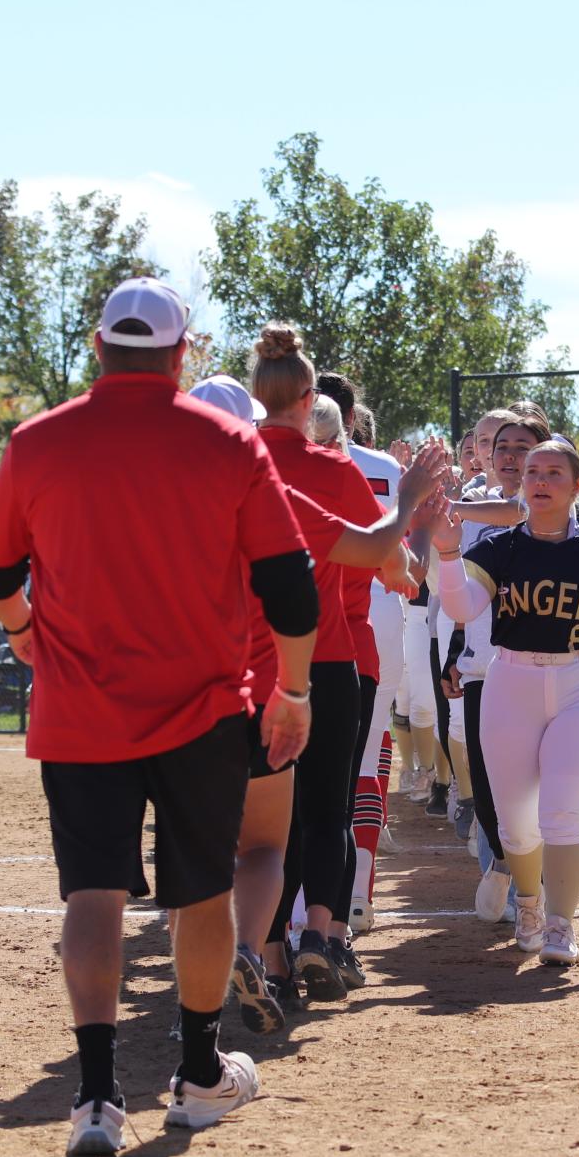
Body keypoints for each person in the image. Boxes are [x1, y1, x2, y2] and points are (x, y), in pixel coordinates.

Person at [0, 278, 318, 1157]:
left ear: (97, 347)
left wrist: (23, 634)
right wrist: (294, 691)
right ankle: (199, 1078)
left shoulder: (36, 442)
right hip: (201, 708)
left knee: (92, 893)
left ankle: (94, 1099)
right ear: (181, 352)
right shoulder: (229, 441)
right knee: (199, 891)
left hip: (80, 710)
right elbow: (289, 584)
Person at [432, 440, 579, 966]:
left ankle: (560, 925)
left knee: (562, 814)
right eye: (534, 471)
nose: (540, 480)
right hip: (511, 680)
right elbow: (462, 605)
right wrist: (446, 552)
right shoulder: (500, 546)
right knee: (515, 823)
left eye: (554, 472)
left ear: (576, 487)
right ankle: (527, 907)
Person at [249, 325, 385, 1005]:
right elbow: (384, 556)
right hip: (328, 657)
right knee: (327, 811)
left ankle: (270, 960)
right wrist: (413, 513)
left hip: (250, 666)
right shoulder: (334, 469)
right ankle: (322, 937)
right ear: (310, 401)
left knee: (267, 828)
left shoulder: (236, 463)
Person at [315, 372, 406, 933]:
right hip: (378, 613)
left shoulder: (273, 463)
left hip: (310, 618)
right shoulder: (385, 469)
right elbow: (400, 556)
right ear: (353, 416)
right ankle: (358, 896)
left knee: (305, 773)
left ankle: (301, 912)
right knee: (366, 755)